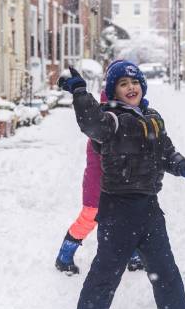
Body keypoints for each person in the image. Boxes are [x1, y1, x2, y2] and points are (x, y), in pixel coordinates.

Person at [58, 60, 185, 309]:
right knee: (105, 273)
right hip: (118, 209)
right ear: (113, 91)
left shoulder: (153, 117)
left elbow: (167, 154)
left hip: (149, 209)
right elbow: (92, 124)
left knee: (165, 270)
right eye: (122, 84)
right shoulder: (111, 119)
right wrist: (80, 93)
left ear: (142, 86)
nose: (130, 87)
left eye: (134, 82)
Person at [55, 91, 144, 275]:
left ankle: (134, 255)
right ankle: (64, 255)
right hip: (98, 187)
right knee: (89, 218)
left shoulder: (123, 123)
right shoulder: (104, 129)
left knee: (128, 219)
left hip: (119, 186)